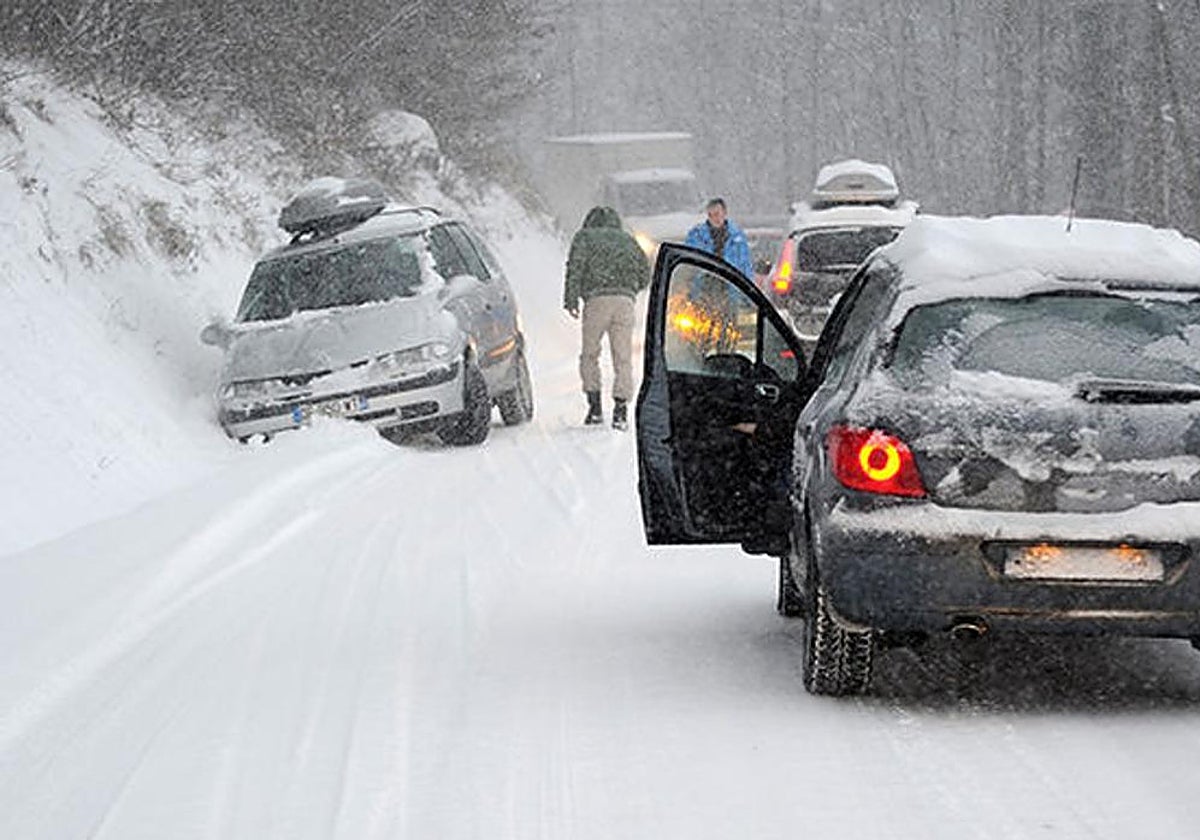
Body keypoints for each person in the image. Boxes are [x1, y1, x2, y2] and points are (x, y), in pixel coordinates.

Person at [563, 206, 651, 429]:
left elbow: (575, 268)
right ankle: (621, 410)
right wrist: (630, 289)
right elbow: (645, 272)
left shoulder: (584, 238)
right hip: (625, 302)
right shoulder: (628, 239)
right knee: (622, 356)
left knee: (590, 354)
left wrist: (571, 299)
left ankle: (594, 408)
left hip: (596, 302)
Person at [685, 197, 754, 279]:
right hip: (704, 287)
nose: (714, 218)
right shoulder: (696, 237)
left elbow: (745, 266)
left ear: (724, 213)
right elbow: (688, 266)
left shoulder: (737, 239)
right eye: (710, 215)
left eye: (717, 214)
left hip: (732, 285)